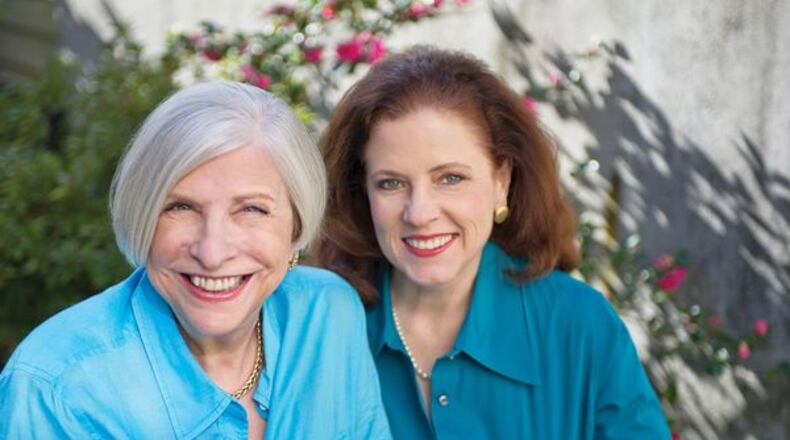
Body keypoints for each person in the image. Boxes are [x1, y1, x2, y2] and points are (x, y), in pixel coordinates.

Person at [312, 46, 670, 439]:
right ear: (362, 192)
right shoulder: (321, 333)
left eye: (450, 178)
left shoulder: (581, 326)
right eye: (391, 183)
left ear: (502, 182)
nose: (419, 213)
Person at [0, 81, 391, 439]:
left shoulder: (328, 314)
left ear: (295, 223)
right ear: (143, 217)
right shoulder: (55, 388)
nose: (212, 252)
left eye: (252, 209)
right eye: (181, 207)